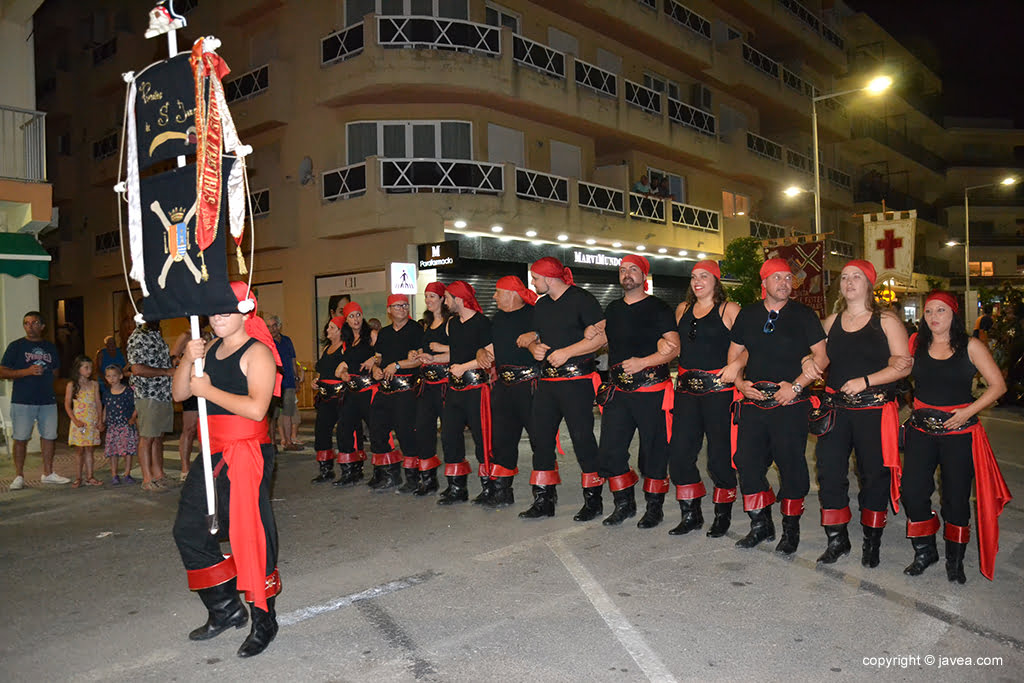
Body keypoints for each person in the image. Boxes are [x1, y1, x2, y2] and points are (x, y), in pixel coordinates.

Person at [171, 282, 282, 658]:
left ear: (244, 312)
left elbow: (256, 408)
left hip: (248, 452)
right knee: (188, 529)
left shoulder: (259, 354)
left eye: (225, 310)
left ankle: (263, 617)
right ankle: (225, 608)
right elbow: (179, 394)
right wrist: (189, 358)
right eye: (213, 311)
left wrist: (209, 391)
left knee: (250, 535)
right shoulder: (209, 350)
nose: (217, 317)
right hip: (213, 450)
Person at [902, 291, 1010, 583]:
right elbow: (899, 371)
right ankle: (925, 550)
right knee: (912, 492)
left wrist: (966, 412)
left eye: (941, 311)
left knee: (956, 499)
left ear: (953, 315)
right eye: (929, 312)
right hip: (921, 432)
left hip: (959, 433)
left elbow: (998, 386)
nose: (934, 317)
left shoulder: (971, 346)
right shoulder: (916, 344)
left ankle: (955, 558)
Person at [810, 260, 911, 567]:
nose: (850, 282)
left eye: (857, 277)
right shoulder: (830, 323)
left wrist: (866, 381)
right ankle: (837, 539)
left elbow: (904, 364)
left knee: (874, 476)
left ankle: (872, 540)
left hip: (874, 410)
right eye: (844, 278)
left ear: (869, 284)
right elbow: (817, 359)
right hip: (836, 410)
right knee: (828, 474)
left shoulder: (886, 321)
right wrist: (806, 362)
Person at [727, 258, 828, 552]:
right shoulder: (746, 315)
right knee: (747, 462)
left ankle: (790, 531)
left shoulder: (804, 315)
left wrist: (795, 386)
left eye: (788, 278)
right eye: (778, 278)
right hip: (754, 401)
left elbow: (821, 357)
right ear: (764, 283)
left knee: (791, 466)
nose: (785, 283)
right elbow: (735, 356)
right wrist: (740, 384)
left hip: (790, 403)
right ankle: (761, 524)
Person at [592, 255, 679, 527]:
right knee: (610, 450)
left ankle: (655, 508)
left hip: (652, 389)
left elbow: (674, 347)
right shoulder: (613, 309)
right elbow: (601, 340)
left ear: (644, 277)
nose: (627, 274)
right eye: (622, 270)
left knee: (654, 452)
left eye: (633, 270)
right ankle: (624, 504)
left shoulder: (659, 308)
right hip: (619, 392)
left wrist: (643, 361)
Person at [516, 257, 606, 519]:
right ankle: (544, 499)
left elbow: (601, 337)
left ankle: (593, 500)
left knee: (582, 440)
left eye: (535, 278)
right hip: (547, 382)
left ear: (549, 278)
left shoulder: (582, 299)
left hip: (577, 382)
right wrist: (535, 347)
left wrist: (566, 352)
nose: (532, 283)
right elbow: (537, 337)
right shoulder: (542, 305)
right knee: (540, 440)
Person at [668, 260, 743, 537]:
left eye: (704, 276)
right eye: (693, 277)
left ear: (716, 280)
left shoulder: (729, 309)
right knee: (679, 454)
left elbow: (752, 344)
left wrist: (737, 365)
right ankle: (691, 514)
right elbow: (673, 344)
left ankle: (722, 514)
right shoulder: (682, 309)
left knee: (719, 457)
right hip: (686, 393)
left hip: (719, 394)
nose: (697, 281)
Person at [476, 276, 540, 508]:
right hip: (503, 387)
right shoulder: (498, 319)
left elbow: (554, 336)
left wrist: (536, 336)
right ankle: (503, 491)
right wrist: (481, 351)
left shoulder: (535, 314)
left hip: (530, 386)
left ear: (513, 294)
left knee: (539, 440)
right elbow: (492, 346)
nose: (494, 296)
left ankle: (544, 496)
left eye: (497, 292)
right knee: (502, 440)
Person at [437, 281, 493, 505]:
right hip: (454, 389)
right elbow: (455, 353)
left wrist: (463, 367)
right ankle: (456, 487)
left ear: (459, 299)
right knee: (449, 436)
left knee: (483, 438)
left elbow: (489, 356)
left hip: (476, 389)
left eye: (448, 297)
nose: (446, 302)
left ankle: (489, 486)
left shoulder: (482, 323)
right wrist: (433, 358)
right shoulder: (452, 324)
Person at [0, 311, 69, 489]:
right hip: (23, 400)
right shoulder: (16, 346)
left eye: (34, 322)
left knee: (49, 437)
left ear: (42, 326)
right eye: (26, 323)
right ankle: (19, 476)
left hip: (47, 400)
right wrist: (26, 372)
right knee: (21, 438)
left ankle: (48, 473)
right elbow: (2, 372)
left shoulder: (51, 347)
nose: (30, 326)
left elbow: (55, 372)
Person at [366, 294, 423, 490]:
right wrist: (376, 368)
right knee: (377, 428)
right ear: (389, 310)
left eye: (405, 305)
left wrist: (397, 365)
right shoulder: (385, 333)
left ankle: (413, 477)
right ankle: (389, 473)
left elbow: (420, 359)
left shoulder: (415, 329)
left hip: (406, 388)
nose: (403, 309)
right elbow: (378, 357)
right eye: (398, 306)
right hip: (385, 388)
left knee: (405, 432)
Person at [409, 283, 450, 495]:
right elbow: (425, 351)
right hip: (426, 384)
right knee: (423, 428)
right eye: (426, 296)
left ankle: (455, 483)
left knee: (449, 433)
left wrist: (436, 354)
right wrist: (417, 354)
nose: (428, 300)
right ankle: (428, 478)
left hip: (445, 384)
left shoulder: (451, 323)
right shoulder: (427, 324)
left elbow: (461, 351)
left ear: (443, 299)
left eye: (432, 296)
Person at [127, 319, 175, 492]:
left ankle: (158, 475)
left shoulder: (155, 334)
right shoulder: (138, 337)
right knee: (147, 437)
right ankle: (147, 479)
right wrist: (165, 372)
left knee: (157, 436)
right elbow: (137, 369)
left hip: (162, 392)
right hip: (148, 393)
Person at [333, 301, 376, 486]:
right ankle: (351, 471)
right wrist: (342, 373)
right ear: (347, 321)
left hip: (369, 390)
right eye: (351, 316)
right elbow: (341, 366)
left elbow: (382, 354)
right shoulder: (347, 343)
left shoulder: (372, 335)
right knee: (345, 429)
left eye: (358, 315)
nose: (356, 319)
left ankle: (382, 471)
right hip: (352, 391)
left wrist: (373, 359)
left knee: (377, 430)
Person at [171, 318, 212, 481]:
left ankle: (206, 464)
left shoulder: (210, 334)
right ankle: (185, 468)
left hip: (207, 382)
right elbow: (173, 358)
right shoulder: (185, 336)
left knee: (206, 427)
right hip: (191, 382)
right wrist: (188, 360)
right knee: (189, 427)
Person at [311, 315, 346, 483]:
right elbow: (321, 371)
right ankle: (326, 469)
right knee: (321, 431)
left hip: (341, 396)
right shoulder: (326, 349)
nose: (327, 330)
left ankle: (350, 469)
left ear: (340, 331)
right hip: (325, 397)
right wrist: (316, 381)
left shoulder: (345, 349)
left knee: (344, 432)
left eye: (332, 328)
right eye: (328, 327)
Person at [64, 356, 102, 487]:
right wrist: (75, 420)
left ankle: (90, 476)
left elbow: (98, 403)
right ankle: (78, 477)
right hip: (78, 423)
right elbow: (67, 405)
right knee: (79, 450)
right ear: (78, 369)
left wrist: (100, 420)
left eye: (91, 367)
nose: (89, 370)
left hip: (91, 421)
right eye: (86, 367)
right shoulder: (72, 385)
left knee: (90, 449)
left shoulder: (94, 384)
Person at [266, 315, 302, 451]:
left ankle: (288, 442)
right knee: (273, 416)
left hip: (288, 382)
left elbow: (293, 361)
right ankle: (273, 443)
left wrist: (296, 378)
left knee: (288, 413)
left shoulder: (287, 341)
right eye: (269, 326)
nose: (272, 329)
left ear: (279, 326)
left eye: (274, 325)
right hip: (273, 384)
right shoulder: (265, 342)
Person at [101, 364, 138, 485]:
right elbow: (106, 407)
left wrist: (133, 417)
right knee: (113, 451)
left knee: (127, 450)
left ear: (121, 376)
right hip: (112, 426)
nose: (111, 378)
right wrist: (103, 420)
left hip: (126, 424)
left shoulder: (128, 391)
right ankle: (114, 474)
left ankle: (127, 473)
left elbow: (137, 405)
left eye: (114, 376)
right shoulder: (106, 393)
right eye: (108, 376)